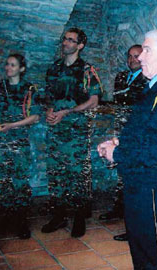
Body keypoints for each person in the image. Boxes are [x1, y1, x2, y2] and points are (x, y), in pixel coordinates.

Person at [98, 29, 157, 270]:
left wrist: (118, 154)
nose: (140, 56)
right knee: (142, 249)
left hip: (154, 184)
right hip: (141, 180)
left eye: (147, 50)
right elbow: (148, 132)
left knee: (154, 255)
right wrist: (120, 143)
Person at [41, 27, 102, 238]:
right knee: (56, 173)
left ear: (80, 45)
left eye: (70, 40)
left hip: (76, 131)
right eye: (64, 39)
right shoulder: (54, 68)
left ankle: (78, 217)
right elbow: (48, 96)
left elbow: (94, 100)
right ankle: (58, 215)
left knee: (77, 175)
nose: (65, 43)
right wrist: (49, 110)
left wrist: (67, 111)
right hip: (56, 130)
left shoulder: (87, 70)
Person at [98, 44, 148, 242]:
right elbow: (119, 100)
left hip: (136, 135)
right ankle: (120, 209)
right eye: (129, 56)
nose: (132, 60)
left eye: (136, 56)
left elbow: (137, 102)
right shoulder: (121, 77)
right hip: (121, 130)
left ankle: (135, 225)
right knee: (122, 175)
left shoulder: (148, 79)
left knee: (135, 178)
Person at [0, 53, 41, 239]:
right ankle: (7, 217)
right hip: (0, 142)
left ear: (21, 68)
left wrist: (12, 125)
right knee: (3, 181)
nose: (8, 68)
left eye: (12, 65)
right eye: (7, 64)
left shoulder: (29, 90)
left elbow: (35, 116)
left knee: (20, 182)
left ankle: (21, 220)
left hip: (19, 142)